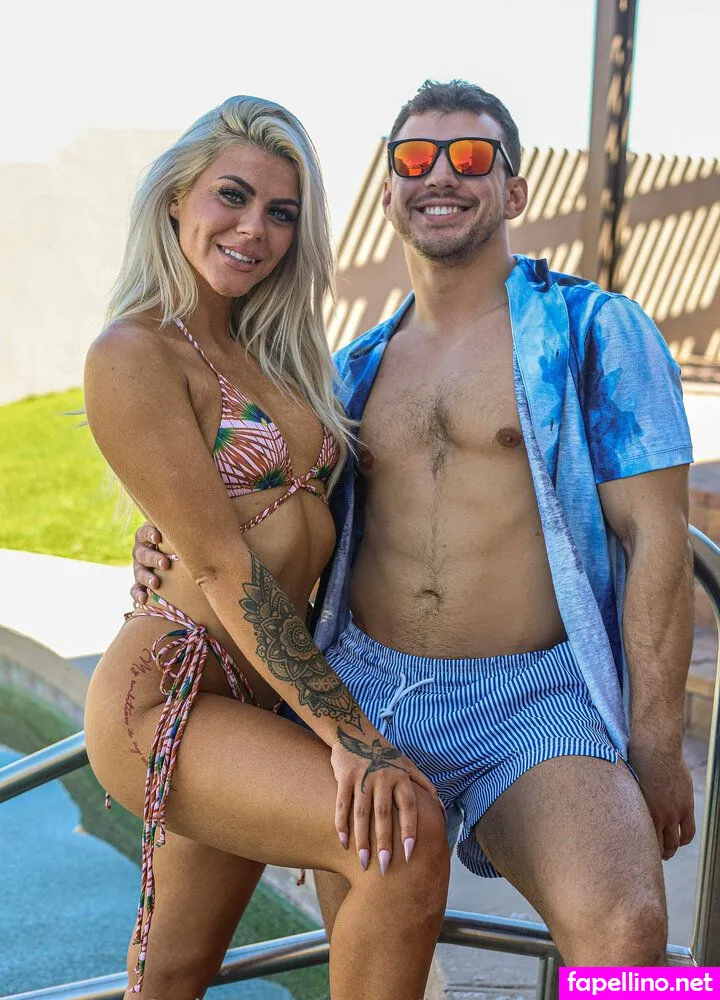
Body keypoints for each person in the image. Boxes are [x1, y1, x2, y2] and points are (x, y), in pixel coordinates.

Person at [131, 80, 696, 967]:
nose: (440, 175)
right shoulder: (345, 371)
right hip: (360, 688)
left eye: (470, 156)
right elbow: (255, 509)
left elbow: (657, 539)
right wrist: (163, 535)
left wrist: (656, 747)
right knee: (372, 955)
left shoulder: (594, 330)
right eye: (414, 158)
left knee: (627, 934)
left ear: (514, 190)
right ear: (389, 193)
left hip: (531, 702)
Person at [83, 94, 449, 1000]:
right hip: (167, 696)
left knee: (171, 977)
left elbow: (264, 517)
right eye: (233, 197)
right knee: (400, 839)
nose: (255, 229)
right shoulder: (133, 351)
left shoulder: (276, 354)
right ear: (177, 198)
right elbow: (221, 562)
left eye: (281, 212)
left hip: (258, 693)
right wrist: (354, 738)